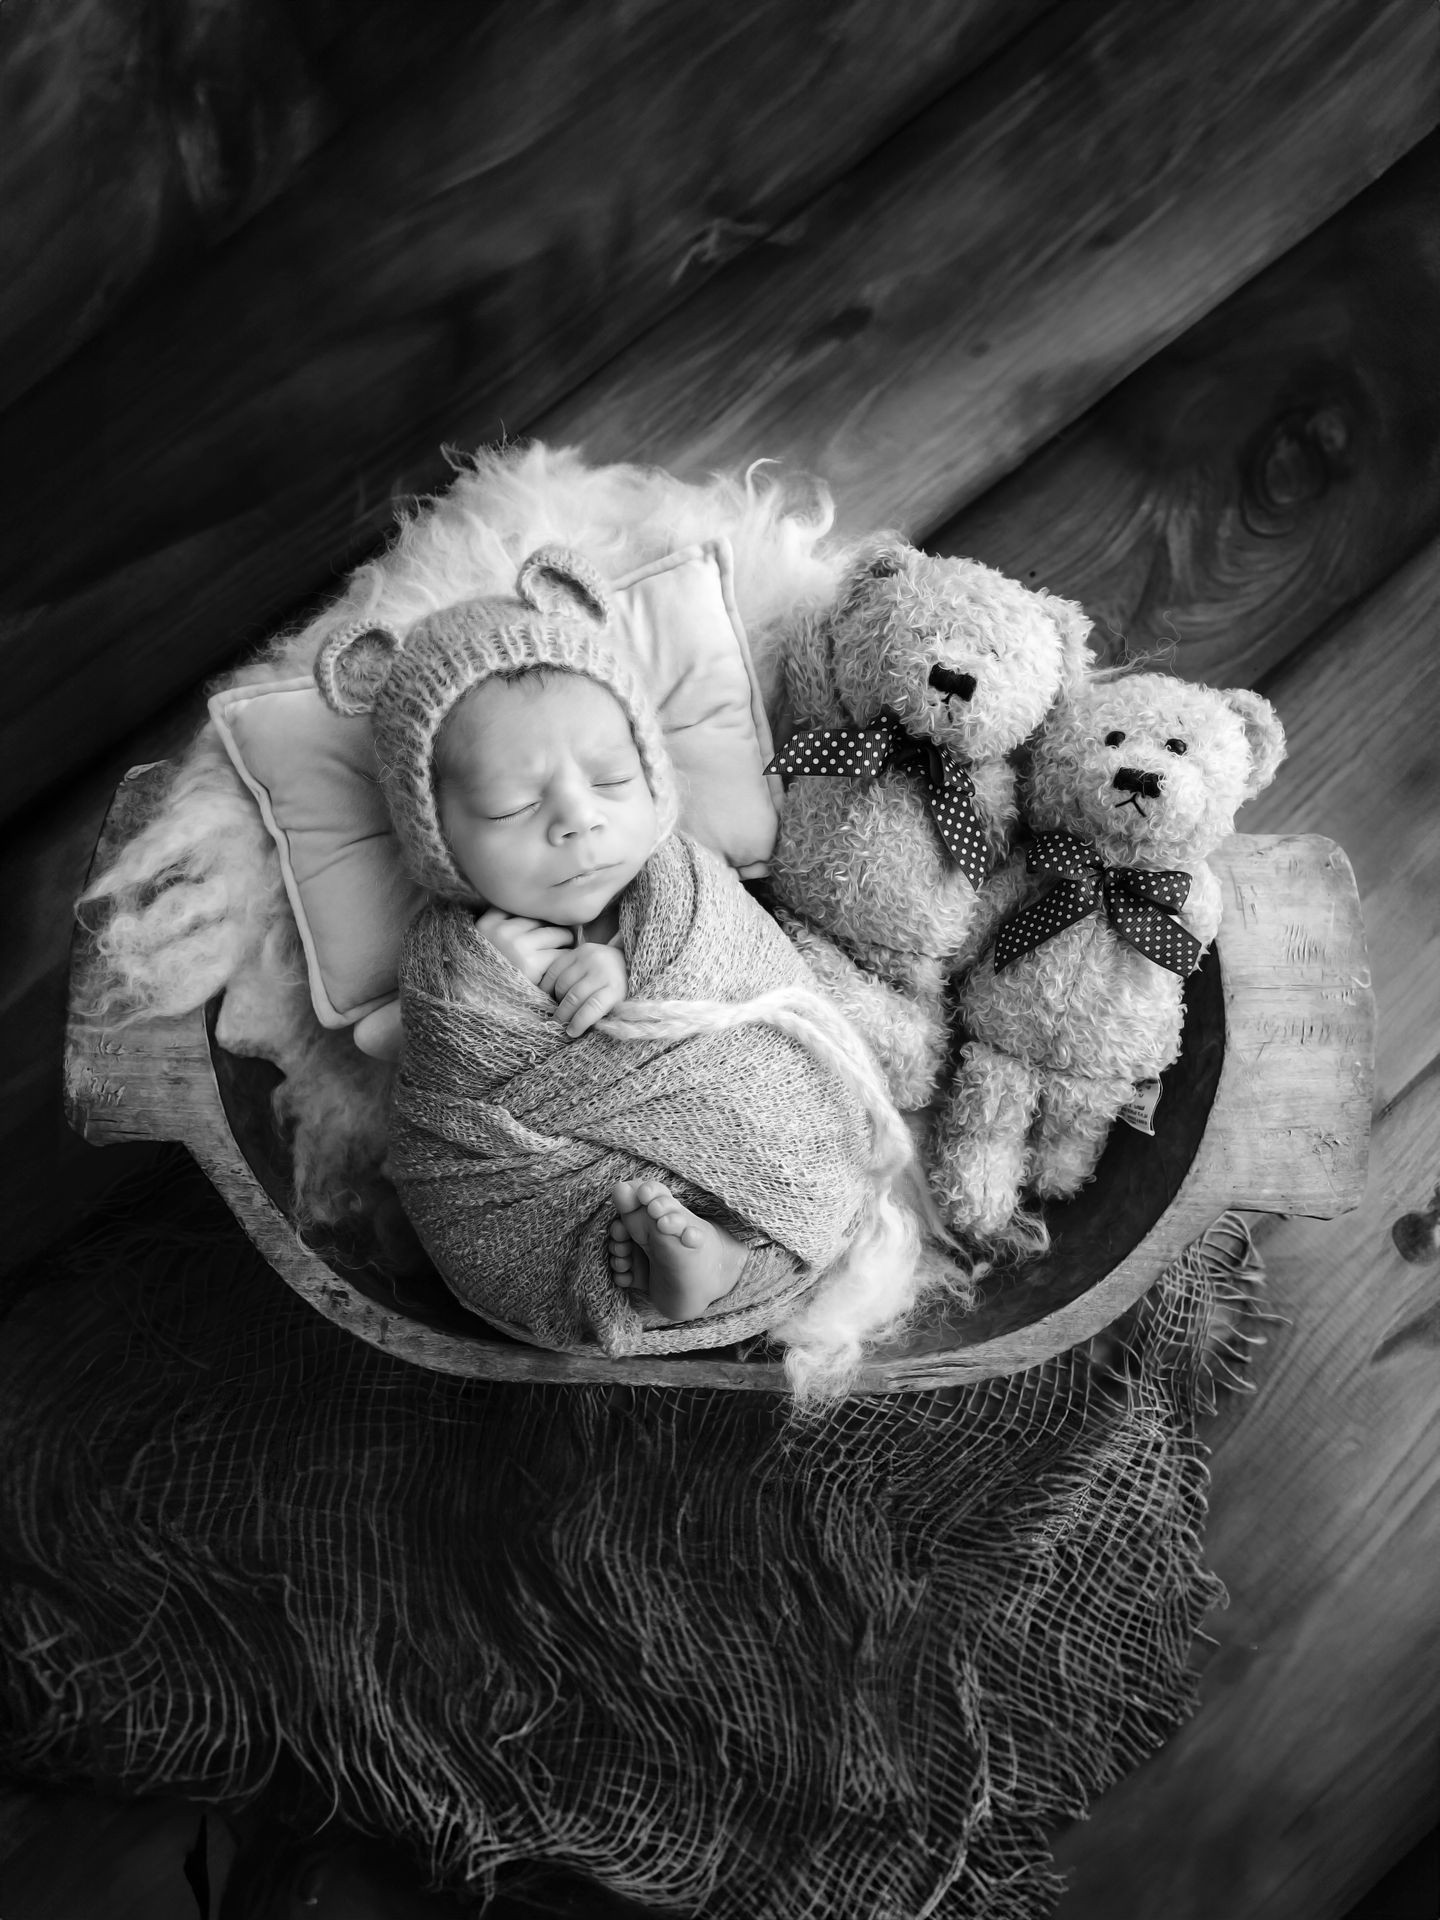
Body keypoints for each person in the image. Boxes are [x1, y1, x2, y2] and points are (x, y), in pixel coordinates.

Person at [313, 546, 924, 1384]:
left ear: (651, 773)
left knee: (781, 1127)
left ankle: (724, 1256)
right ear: (437, 837)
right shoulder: (452, 954)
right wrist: (484, 995)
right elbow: (441, 1073)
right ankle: (698, 1266)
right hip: (548, 1198)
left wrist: (628, 975)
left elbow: (747, 977)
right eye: (514, 806)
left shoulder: (685, 887)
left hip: (730, 1122)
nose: (576, 822)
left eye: (609, 779)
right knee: (536, 1222)